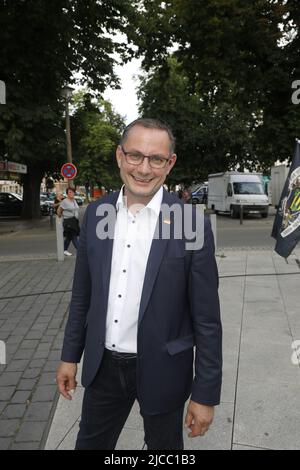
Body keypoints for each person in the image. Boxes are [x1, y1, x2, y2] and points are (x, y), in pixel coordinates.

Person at [56, 118, 222, 450]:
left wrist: (205, 394)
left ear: (170, 163)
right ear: (120, 156)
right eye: (135, 156)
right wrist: (69, 356)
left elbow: (207, 320)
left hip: (164, 369)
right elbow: (82, 297)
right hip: (103, 367)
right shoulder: (97, 214)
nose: (144, 168)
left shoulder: (191, 224)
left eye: (156, 159)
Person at [57, 187, 80, 256]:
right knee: (74, 236)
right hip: (68, 221)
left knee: (69, 237)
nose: (71, 193)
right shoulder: (65, 201)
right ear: (67, 194)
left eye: (72, 192)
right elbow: (59, 210)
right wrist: (60, 217)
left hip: (74, 221)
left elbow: (76, 209)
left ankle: (64, 250)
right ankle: (80, 251)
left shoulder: (74, 201)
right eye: (69, 192)